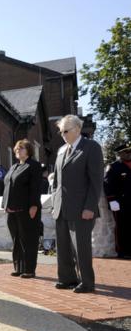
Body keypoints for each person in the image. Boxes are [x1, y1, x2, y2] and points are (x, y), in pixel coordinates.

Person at [52, 115, 104, 293]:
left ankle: (87, 282)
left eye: (66, 131)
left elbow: (96, 181)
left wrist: (90, 207)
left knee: (81, 248)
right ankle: (67, 279)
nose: (63, 135)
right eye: (61, 132)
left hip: (82, 208)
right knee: (63, 247)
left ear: (78, 129)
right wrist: (54, 203)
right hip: (61, 208)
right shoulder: (60, 150)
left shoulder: (91, 148)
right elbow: (56, 182)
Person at [1, 139, 42, 278]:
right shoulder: (14, 167)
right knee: (16, 240)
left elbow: (35, 187)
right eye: (17, 148)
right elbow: (7, 187)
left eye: (22, 148)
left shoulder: (34, 166)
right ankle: (19, 267)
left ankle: (29, 269)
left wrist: (34, 205)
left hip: (27, 209)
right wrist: (5, 205)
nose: (18, 150)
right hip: (11, 211)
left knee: (28, 240)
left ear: (29, 150)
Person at [104, 143, 131, 259]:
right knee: (122, 227)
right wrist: (112, 200)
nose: (129, 154)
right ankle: (122, 250)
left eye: (129, 152)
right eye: (126, 152)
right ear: (120, 154)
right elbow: (108, 185)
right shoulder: (114, 167)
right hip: (121, 202)